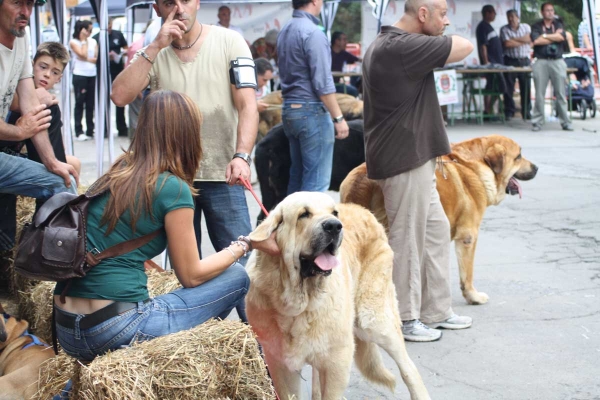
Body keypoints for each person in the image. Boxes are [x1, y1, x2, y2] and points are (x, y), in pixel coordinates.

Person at [53, 90, 280, 362]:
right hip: (115, 330)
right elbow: (191, 275)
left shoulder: (117, 172)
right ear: (187, 134)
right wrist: (245, 244)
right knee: (237, 277)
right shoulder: (172, 189)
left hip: (67, 329)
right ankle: (246, 361)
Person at [112, 0, 258, 267]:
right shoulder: (153, 52)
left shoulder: (230, 41)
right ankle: (207, 311)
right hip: (172, 179)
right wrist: (156, 46)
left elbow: (248, 104)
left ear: (198, 2)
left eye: (186, 0)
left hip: (223, 173)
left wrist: (242, 156)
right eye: (169, 2)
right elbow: (119, 96)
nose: (179, 9)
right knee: (186, 270)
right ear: (157, 10)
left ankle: (241, 310)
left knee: (243, 264)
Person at [362, 0, 474, 342]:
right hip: (403, 159)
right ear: (422, 14)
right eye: (442, 14)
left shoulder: (392, 44)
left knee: (437, 232)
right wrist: (443, 35)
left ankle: (436, 311)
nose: (447, 21)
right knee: (407, 240)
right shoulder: (402, 46)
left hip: (413, 158)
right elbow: (464, 46)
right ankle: (404, 318)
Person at [0, 0, 77, 199]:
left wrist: (52, 163)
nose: (25, 12)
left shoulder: (21, 38)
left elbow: (31, 104)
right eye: (17, 3)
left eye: (30, 4)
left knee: (64, 181)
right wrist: (19, 132)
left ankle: (43, 229)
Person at [277, 0, 349, 194]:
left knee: (298, 178)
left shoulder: (285, 30)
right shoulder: (314, 32)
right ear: (315, 1)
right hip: (311, 110)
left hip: (290, 109)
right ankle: (309, 225)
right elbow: (322, 83)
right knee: (316, 184)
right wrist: (338, 118)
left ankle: (293, 224)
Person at [530, 3, 573, 132]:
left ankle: (565, 121)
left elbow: (561, 37)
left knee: (560, 93)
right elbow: (536, 41)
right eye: (547, 10)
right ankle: (537, 121)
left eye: (551, 10)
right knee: (539, 94)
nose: (550, 12)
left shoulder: (558, 24)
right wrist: (552, 37)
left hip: (557, 60)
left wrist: (544, 36)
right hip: (541, 60)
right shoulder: (536, 25)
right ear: (542, 12)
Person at [94, 18, 128, 137]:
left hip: (117, 71)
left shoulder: (118, 34)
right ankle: (104, 129)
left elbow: (126, 47)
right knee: (103, 100)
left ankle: (122, 127)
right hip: (103, 72)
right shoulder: (96, 37)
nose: (108, 27)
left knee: (120, 100)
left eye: (109, 24)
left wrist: (120, 54)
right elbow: (93, 55)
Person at [475, 4, 507, 118]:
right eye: (494, 12)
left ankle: (489, 109)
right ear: (488, 13)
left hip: (497, 63)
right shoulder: (482, 26)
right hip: (491, 64)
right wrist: (486, 62)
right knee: (491, 86)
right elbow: (483, 46)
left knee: (496, 86)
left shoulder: (489, 26)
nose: (495, 15)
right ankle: (487, 110)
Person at [500, 9, 532, 120]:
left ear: (518, 17)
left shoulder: (526, 27)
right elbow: (507, 43)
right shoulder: (504, 29)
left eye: (513, 16)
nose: (511, 19)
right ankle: (509, 111)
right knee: (508, 88)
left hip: (524, 60)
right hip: (510, 60)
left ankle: (526, 111)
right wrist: (522, 41)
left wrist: (514, 39)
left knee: (526, 86)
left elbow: (529, 38)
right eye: (509, 17)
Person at [70, 20, 97, 141]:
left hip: (92, 74)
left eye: (91, 30)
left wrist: (86, 58)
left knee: (90, 103)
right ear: (81, 30)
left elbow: (95, 58)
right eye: (87, 30)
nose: (89, 32)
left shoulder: (94, 41)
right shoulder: (74, 42)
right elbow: (82, 54)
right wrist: (83, 41)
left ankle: (90, 129)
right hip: (80, 74)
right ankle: (79, 130)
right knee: (80, 102)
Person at [330, 31, 361, 97]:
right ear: (337, 41)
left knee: (356, 85)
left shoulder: (343, 53)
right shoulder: (327, 52)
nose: (346, 42)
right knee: (354, 91)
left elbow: (358, 60)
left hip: (337, 84)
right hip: (329, 85)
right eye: (344, 40)